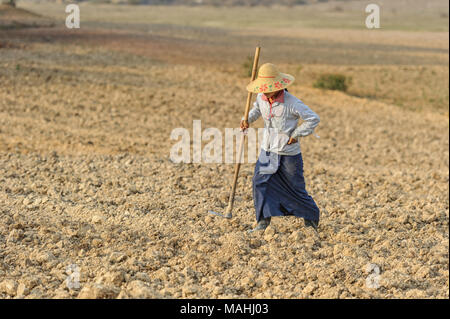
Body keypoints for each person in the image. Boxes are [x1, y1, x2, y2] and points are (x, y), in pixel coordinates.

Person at [240, 63, 321, 233]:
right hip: (267, 150)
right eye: (262, 87)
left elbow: (313, 118)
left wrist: (297, 134)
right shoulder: (261, 97)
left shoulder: (292, 103)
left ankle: (311, 219)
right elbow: (256, 111)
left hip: (288, 153)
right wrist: (246, 119)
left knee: (295, 187)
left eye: (267, 88)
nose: (263, 91)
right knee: (259, 182)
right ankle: (262, 221)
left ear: (277, 87)